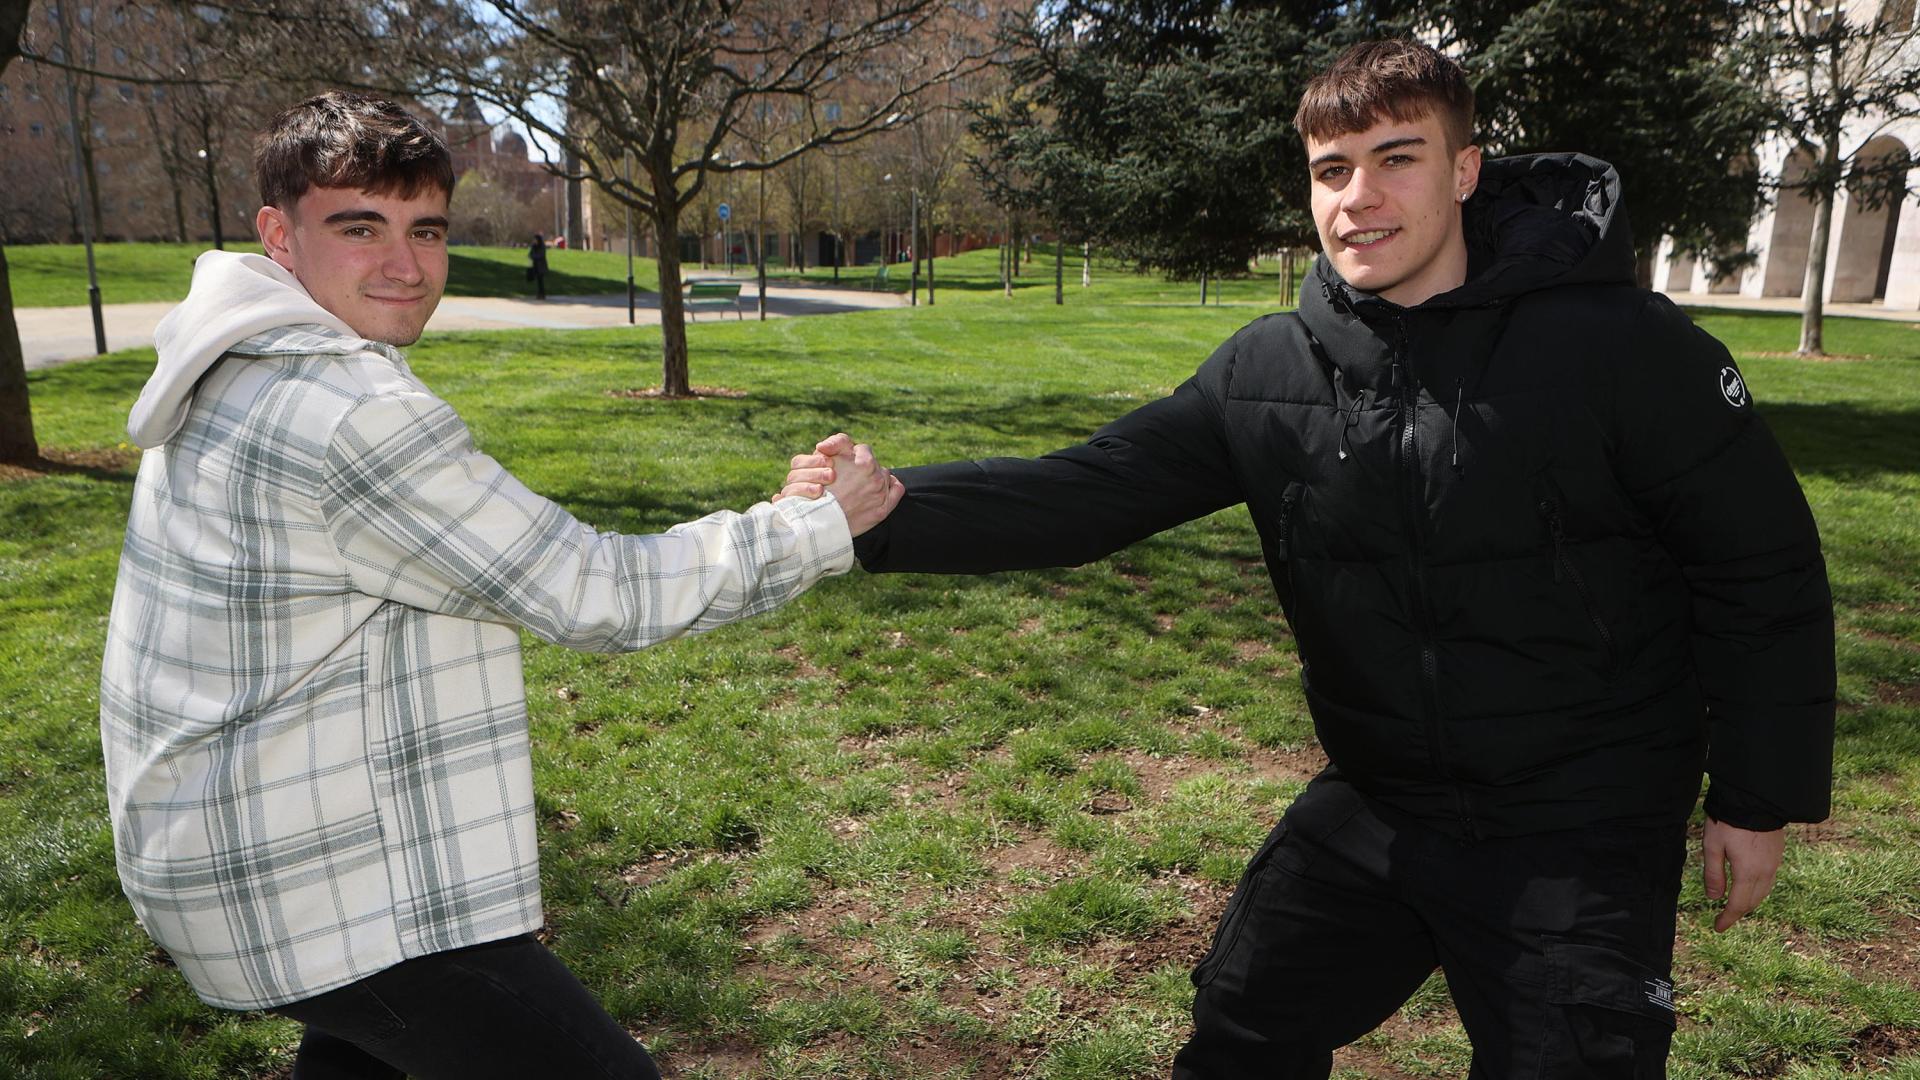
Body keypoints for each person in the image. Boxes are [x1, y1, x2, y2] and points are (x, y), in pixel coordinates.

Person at [784, 39, 1835, 1078]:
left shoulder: (1626, 351)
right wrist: (883, 514)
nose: (1358, 198)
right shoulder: (1271, 369)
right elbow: (1094, 489)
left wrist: (1755, 795)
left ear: (1465, 171)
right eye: (1332, 170)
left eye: (1397, 158)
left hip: (1583, 818)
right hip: (1383, 799)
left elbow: (1761, 568)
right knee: (1243, 1028)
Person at [100, 91, 901, 1080]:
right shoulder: (344, 411)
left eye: (425, 230)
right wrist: (812, 528)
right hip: (317, 885)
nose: (405, 264)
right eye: (361, 228)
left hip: (242, 847)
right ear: (279, 235)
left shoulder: (234, 361)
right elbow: (596, 590)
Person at [528, 231, 549, 299]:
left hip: (541, 266)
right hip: (535, 266)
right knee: (538, 281)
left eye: (535, 239)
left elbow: (541, 255)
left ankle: (542, 294)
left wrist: (534, 256)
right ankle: (539, 293)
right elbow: (530, 254)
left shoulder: (542, 246)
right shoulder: (533, 246)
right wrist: (532, 256)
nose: (534, 241)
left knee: (541, 280)